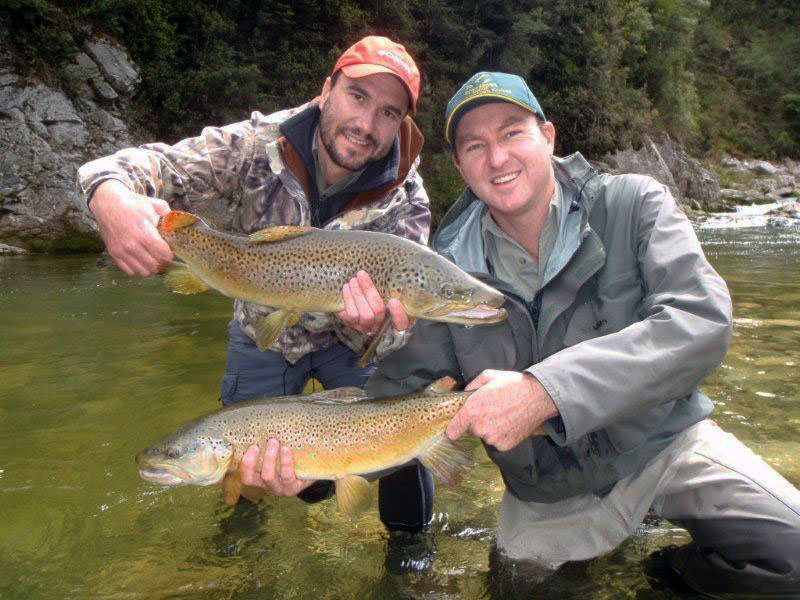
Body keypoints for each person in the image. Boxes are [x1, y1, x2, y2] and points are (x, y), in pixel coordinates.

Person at [365, 71, 800, 596]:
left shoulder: (635, 204)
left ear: (548, 137)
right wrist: (309, 462)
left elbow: (701, 321)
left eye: (511, 133)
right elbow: (397, 401)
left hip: (664, 448)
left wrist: (544, 391)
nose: (497, 158)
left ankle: (672, 575)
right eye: (475, 146)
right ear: (458, 166)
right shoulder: (441, 276)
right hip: (546, 494)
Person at [76, 36, 433, 533]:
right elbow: (132, 166)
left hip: (349, 344)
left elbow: (400, 332)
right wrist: (111, 200)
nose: (367, 124)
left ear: (403, 121)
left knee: (404, 435)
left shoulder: (407, 199)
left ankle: (408, 549)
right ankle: (241, 549)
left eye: (389, 112)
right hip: (262, 328)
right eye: (358, 96)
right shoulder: (255, 143)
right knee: (240, 459)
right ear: (327, 89)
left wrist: (371, 326)